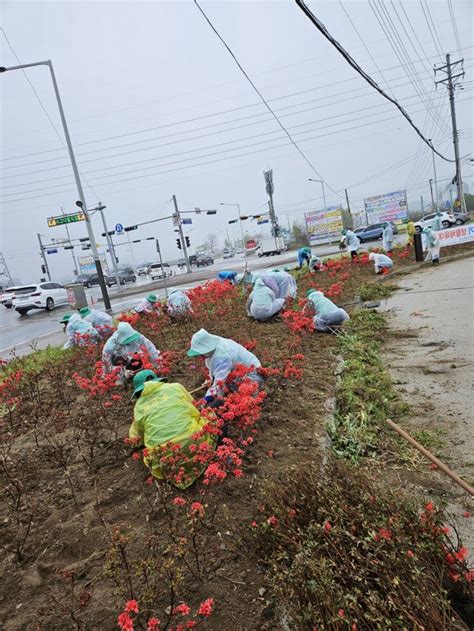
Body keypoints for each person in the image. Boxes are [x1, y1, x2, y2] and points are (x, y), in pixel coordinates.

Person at [128, 370, 215, 489]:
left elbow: (135, 440)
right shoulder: (176, 387)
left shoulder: (138, 407)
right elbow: (194, 406)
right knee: (209, 413)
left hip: (164, 458)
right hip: (195, 441)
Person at [187, 328, 262, 402]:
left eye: (201, 354)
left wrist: (206, 398)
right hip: (240, 368)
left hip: (252, 374)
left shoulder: (222, 357)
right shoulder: (213, 345)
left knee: (243, 398)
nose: (201, 357)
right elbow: (214, 367)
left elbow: (219, 383)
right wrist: (210, 379)